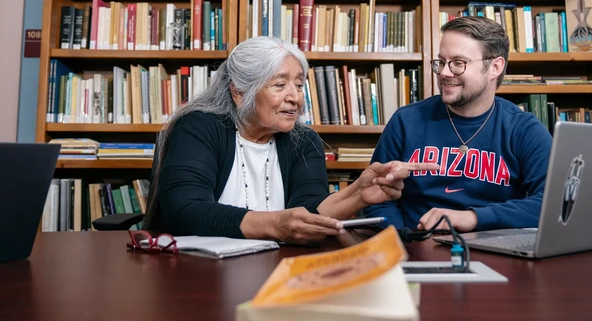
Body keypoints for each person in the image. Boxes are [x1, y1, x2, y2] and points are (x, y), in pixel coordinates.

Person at [143, 36, 436, 243]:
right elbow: (186, 210)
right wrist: (275, 224)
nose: (294, 97)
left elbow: (307, 213)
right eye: (280, 84)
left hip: (275, 269)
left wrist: (358, 194)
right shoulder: (198, 127)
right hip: (190, 273)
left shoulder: (303, 140)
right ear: (240, 91)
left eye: (298, 84)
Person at [364, 16, 553, 233]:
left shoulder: (523, 129)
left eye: (458, 63)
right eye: (441, 62)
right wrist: (401, 242)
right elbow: (378, 199)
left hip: (493, 250)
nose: (444, 72)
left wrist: (474, 218)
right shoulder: (406, 121)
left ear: (495, 67)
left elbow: (553, 201)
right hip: (416, 247)